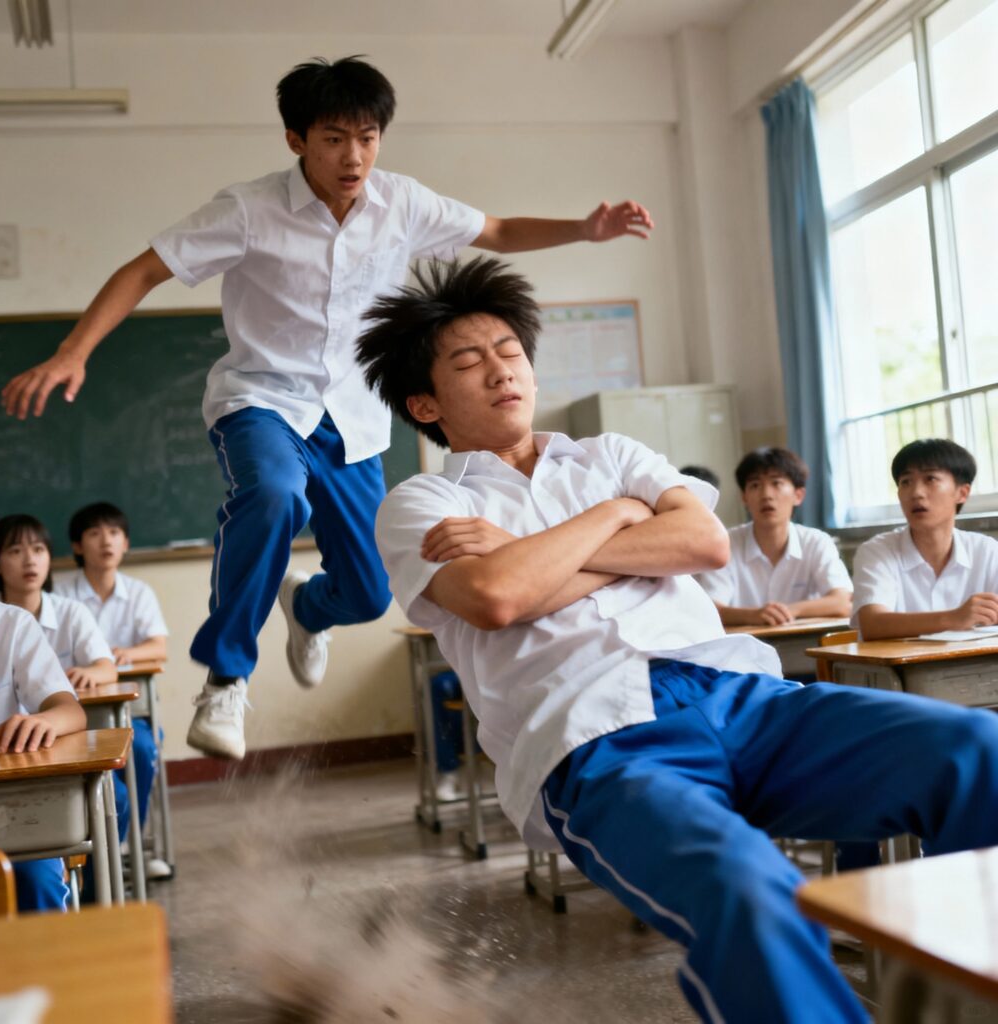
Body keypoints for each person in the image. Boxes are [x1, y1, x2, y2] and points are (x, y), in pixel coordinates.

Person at [359, 257, 998, 1023]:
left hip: (746, 698)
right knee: (751, 891)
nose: (502, 372)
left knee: (977, 749)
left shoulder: (611, 454)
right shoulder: (421, 501)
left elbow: (703, 544)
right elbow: (498, 597)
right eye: (469, 362)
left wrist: (531, 551)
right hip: (599, 740)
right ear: (425, 401)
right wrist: (620, 518)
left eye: (510, 352)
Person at [0, 55, 653, 762]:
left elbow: (494, 230)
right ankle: (227, 675)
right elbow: (145, 268)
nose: (354, 156)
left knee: (372, 593)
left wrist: (586, 230)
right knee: (275, 495)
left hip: (355, 418)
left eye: (368, 137)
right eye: (335, 138)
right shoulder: (247, 210)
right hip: (261, 399)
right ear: (296, 139)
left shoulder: (402, 203)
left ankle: (306, 607)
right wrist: (73, 351)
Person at [0, 494, 87, 912]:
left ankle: (47, 977)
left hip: (6, 806)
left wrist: (46, 723)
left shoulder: (9, 624)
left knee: (35, 877)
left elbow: (69, 709)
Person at [54, 501, 166, 878]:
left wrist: (119, 656)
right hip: (77, 713)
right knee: (103, 777)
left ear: (126, 543)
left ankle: (123, 845)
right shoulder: (61, 594)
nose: (106, 541)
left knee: (144, 748)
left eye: (114, 533)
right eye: (95, 533)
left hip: (129, 713)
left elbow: (159, 647)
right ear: (77, 546)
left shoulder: (138, 592)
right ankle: (94, 853)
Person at [852, 438, 998, 641]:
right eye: (906, 482)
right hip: (897, 671)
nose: (916, 493)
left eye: (930, 479)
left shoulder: (987, 550)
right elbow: (872, 623)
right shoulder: (877, 551)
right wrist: (953, 618)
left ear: (962, 493)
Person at [697, 447, 852, 630]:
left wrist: (788, 611)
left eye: (776, 483)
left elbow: (843, 602)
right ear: (744, 498)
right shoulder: (725, 543)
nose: (766, 495)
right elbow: (709, 609)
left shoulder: (816, 542)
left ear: (798, 495)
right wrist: (753, 615)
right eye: (755, 485)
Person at [0, 514, 117, 691]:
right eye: (16, 551)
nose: (30, 561)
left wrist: (90, 673)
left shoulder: (71, 612)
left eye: (38, 550)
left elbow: (107, 669)